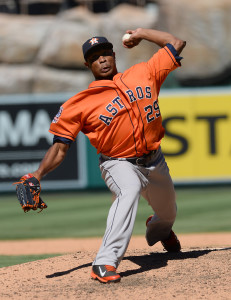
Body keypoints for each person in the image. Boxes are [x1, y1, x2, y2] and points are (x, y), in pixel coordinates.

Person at [29, 28, 186, 283]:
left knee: (168, 214)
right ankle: (104, 262)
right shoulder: (79, 103)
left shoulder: (143, 73)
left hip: (155, 160)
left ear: (114, 55)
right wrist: (37, 174)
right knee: (129, 190)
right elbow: (59, 148)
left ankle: (159, 229)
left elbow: (176, 42)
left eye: (105, 53)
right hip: (118, 163)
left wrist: (142, 34)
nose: (101, 59)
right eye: (94, 57)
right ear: (87, 64)